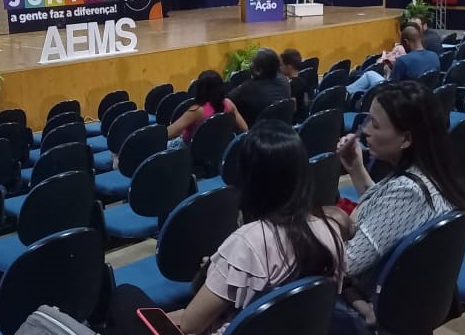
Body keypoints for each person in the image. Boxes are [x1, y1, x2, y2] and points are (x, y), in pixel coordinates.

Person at [106, 120, 349, 335]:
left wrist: (218, 272)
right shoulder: (330, 231)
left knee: (125, 297)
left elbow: (191, 325)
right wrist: (223, 271)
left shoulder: (249, 242)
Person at [331, 82, 465, 334]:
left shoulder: (407, 192)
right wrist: (356, 169)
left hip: (375, 311)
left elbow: (345, 264)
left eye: (375, 124)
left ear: (406, 138)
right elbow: (389, 219)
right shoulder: (430, 173)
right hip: (404, 304)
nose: (365, 132)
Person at [166, 70, 248, 150]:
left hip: (187, 150)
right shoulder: (229, 104)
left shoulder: (197, 111)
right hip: (215, 150)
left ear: (199, 89)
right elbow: (245, 129)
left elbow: (169, 133)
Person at [346, 24, 436, 95]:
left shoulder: (403, 61)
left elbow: (391, 89)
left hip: (401, 99)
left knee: (370, 74)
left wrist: (387, 74)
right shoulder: (434, 56)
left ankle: (344, 94)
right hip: (422, 96)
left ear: (406, 42)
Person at [228, 48, 291, 127]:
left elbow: (228, 100)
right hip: (281, 129)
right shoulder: (284, 80)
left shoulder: (247, 89)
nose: (249, 65)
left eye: (252, 62)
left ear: (259, 71)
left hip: (258, 134)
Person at [280, 49, 310, 120]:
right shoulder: (303, 80)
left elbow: (292, 109)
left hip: (295, 122)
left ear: (289, 67)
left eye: (281, 65)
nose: (279, 68)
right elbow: (306, 101)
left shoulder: (292, 85)